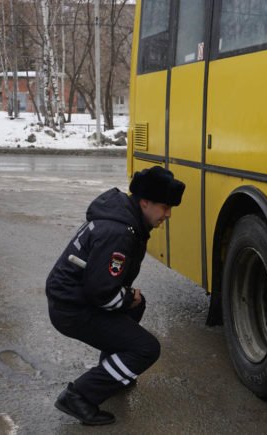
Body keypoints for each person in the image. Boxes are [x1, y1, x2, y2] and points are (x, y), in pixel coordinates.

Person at [45, 166, 185, 425]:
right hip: (72, 308)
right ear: (145, 202)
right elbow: (100, 292)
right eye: (165, 207)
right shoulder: (119, 231)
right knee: (147, 348)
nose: (168, 214)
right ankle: (78, 397)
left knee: (136, 307)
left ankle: (114, 373)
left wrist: (129, 298)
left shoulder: (125, 218)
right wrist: (127, 295)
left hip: (75, 299)